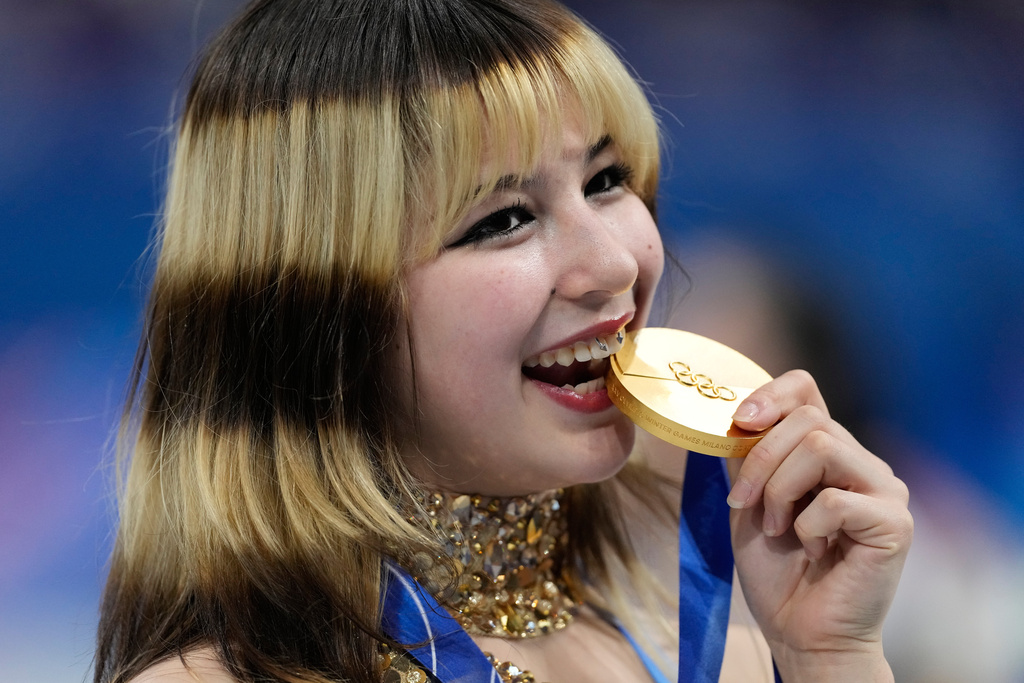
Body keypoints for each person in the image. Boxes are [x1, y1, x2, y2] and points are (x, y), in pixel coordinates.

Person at [94, 0, 913, 681]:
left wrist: (832, 658)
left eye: (606, 180)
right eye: (503, 220)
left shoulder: (741, 660)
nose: (614, 263)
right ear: (319, 312)